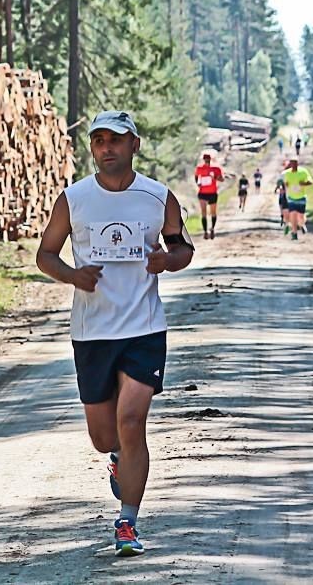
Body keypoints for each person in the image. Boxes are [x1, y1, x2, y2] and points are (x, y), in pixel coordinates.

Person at [36, 110, 194, 558]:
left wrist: (168, 260)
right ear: (92, 148)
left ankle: (127, 521)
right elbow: (45, 255)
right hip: (93, 330)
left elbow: (182, 246)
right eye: (99, 140)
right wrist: (72, 275)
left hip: (144, 327)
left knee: (131, 422)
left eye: (117, 140)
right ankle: (117, 460)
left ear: (134, 146)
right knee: (105, 436)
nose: (107, 147)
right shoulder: (74, 199)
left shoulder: (158, 197)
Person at [281, 158, 313, 240]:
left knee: (301, 217)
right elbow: (284, 184)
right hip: (291, 198)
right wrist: (285, 186)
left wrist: (304, 183)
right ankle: (294, 233)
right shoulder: (286, 173)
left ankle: (302, 225)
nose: (294, 165)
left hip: (301, 197)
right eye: (292, 163)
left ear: (297, 164)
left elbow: (310, 181)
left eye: (295, 163)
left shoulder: (303, 172)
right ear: (290, 164)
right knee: (293, 215)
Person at [193, 153, 224, 239]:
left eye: (208, 159)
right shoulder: (199, 168)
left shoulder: (216, 168)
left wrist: (215, 178)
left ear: (210, 159)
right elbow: (196, 176)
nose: (207, 161)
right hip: (202, 193)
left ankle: (212, 229)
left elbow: (222, 179)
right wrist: (198, 183)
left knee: (213, 212)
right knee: (203, 212)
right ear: (203, 160)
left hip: (212, 193)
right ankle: (205, 231)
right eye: (205, 159)